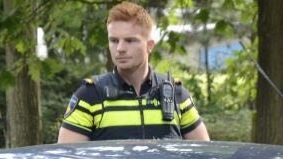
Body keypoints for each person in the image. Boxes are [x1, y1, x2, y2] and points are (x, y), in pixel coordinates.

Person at [58, 2, 209, 143]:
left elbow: (205, 156)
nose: (120, 49)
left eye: (130, 41)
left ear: (149, 45)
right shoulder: (90, 96)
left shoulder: (176, 94)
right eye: (114, 41)